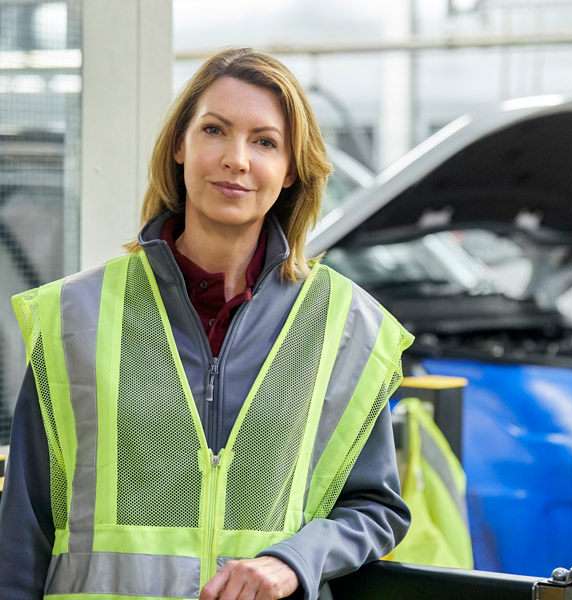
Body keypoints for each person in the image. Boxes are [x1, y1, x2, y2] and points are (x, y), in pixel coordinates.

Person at [0, 47, 413, 600]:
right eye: (215, 130)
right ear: (180, 145)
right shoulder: (77, 315)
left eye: (264, 141)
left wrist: (294, 560)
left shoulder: (348, 326)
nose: (236, 159)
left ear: (291, 169)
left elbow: (375, 508)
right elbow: (23, 531)